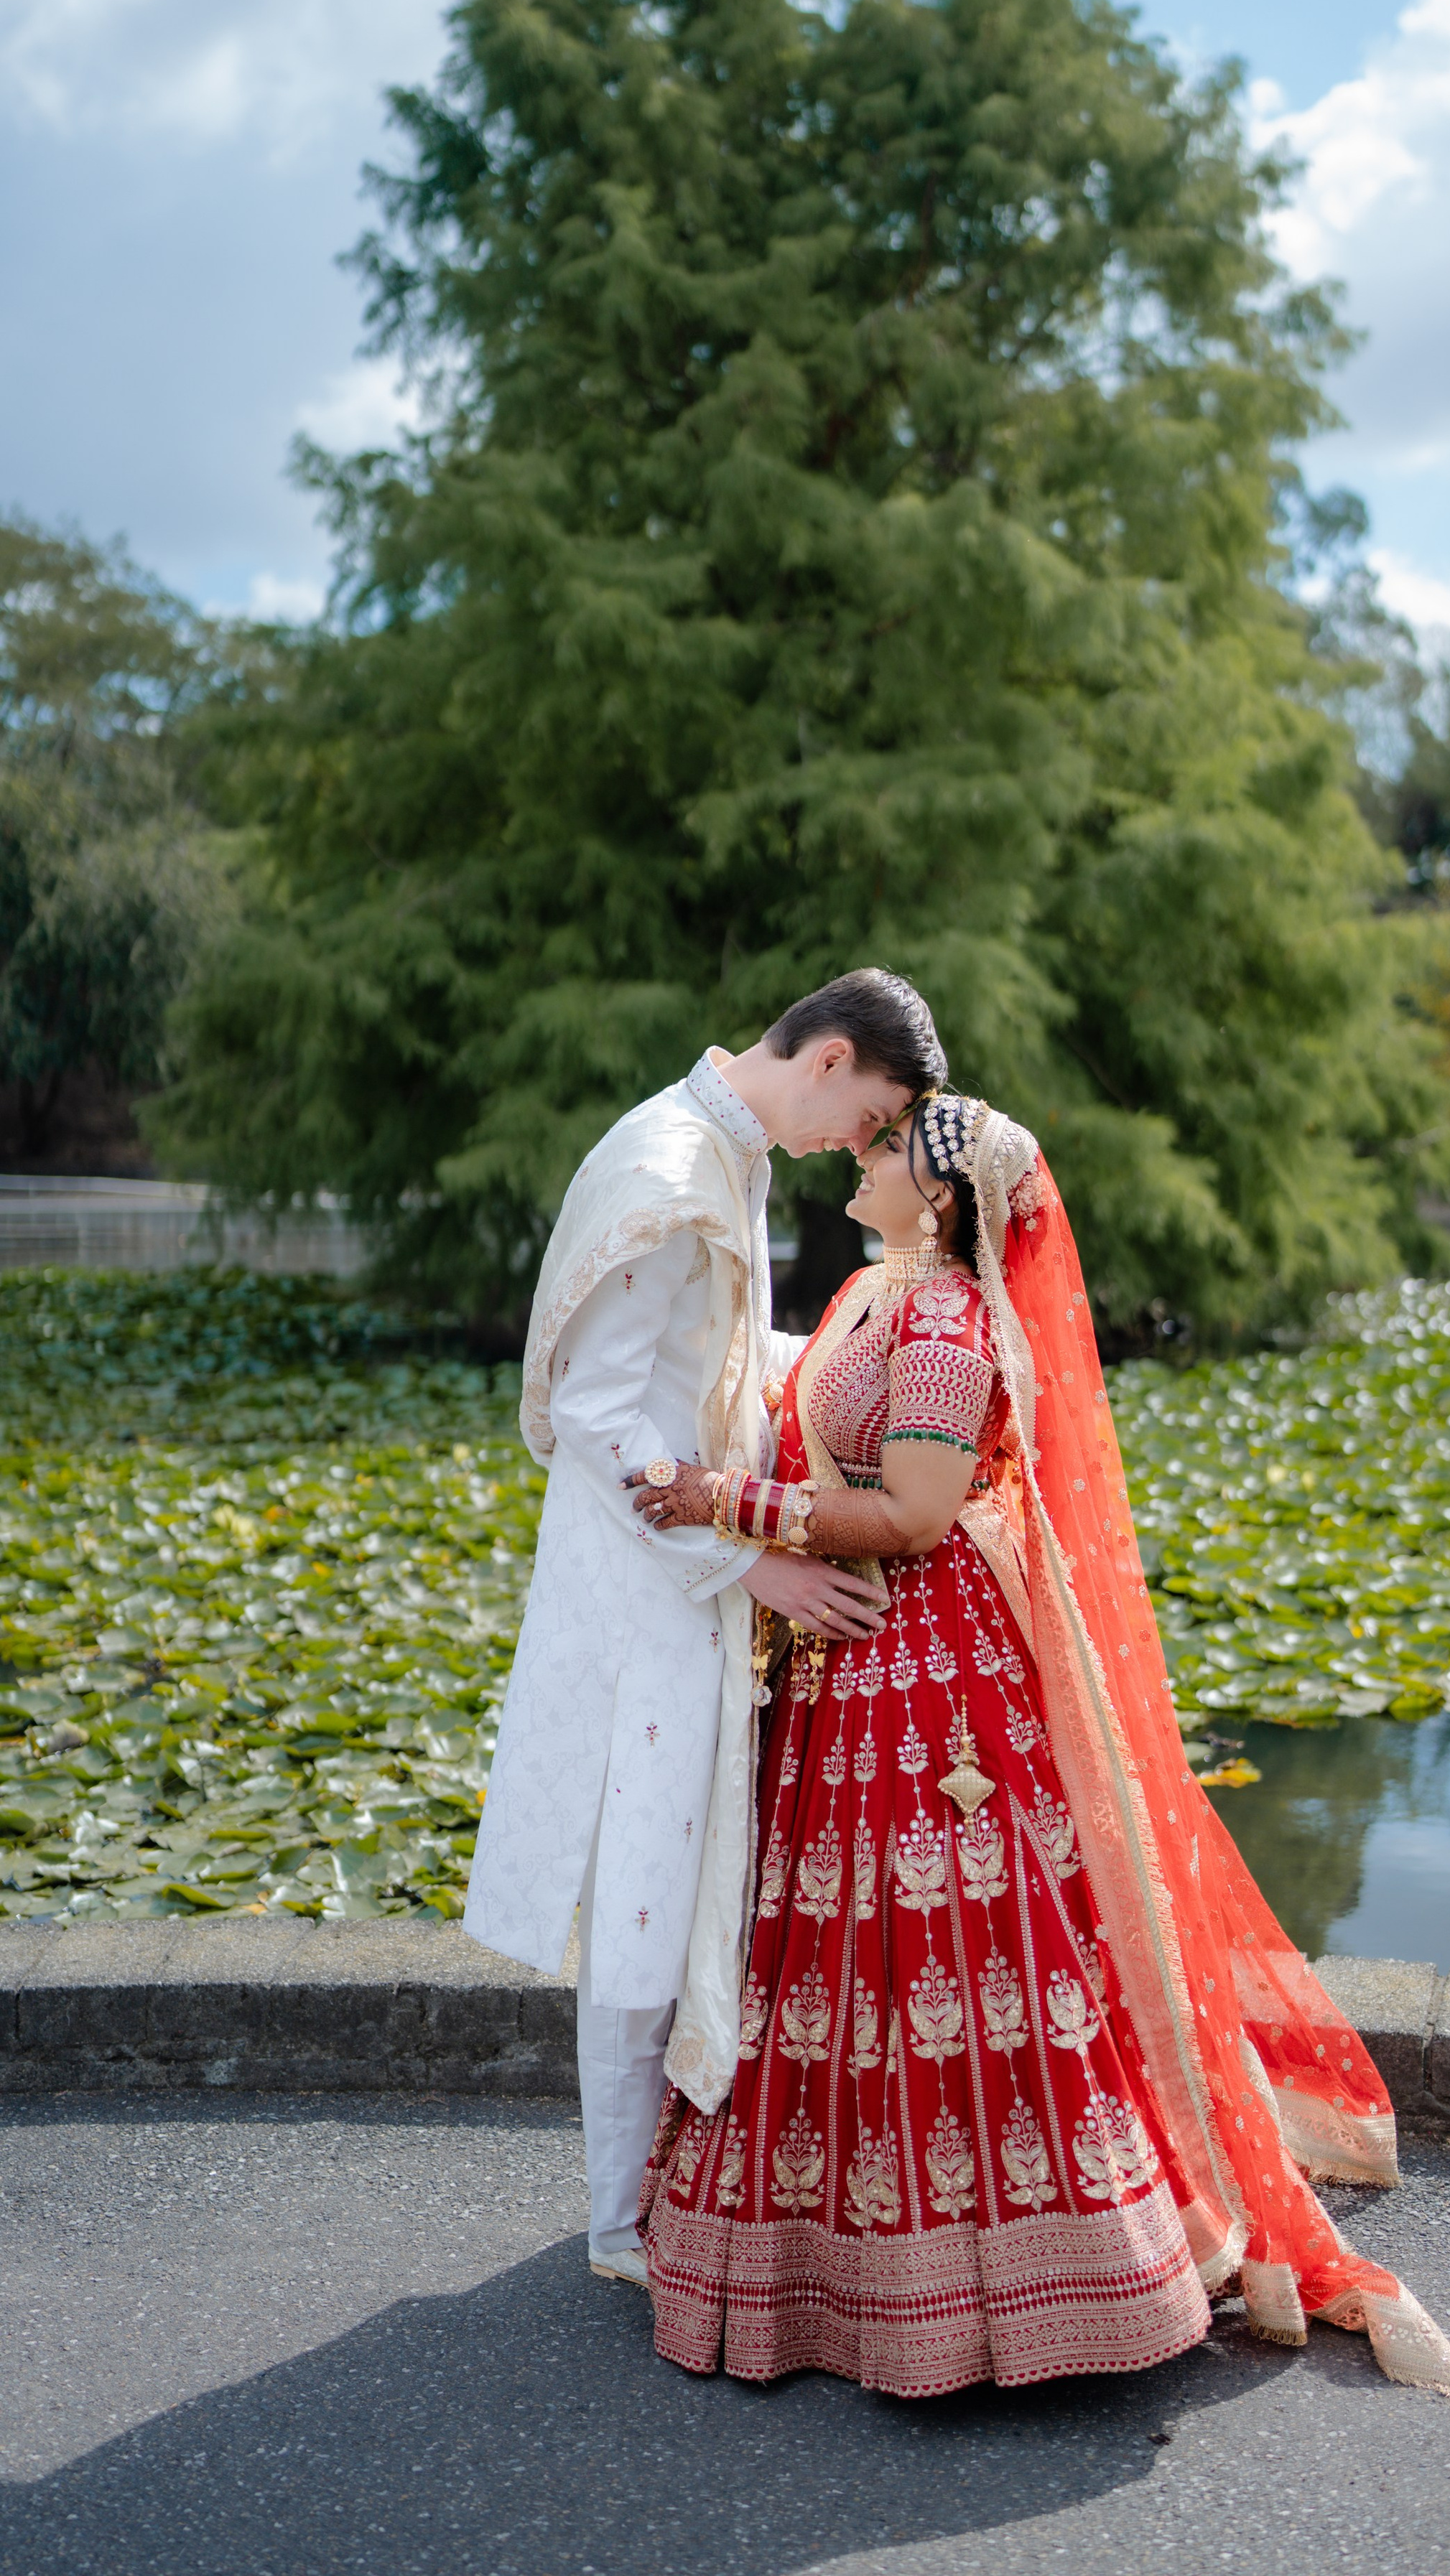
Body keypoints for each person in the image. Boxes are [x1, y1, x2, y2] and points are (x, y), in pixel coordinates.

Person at [627, 1096, 1450, 2398]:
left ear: (946, 1196)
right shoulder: (870, 1292)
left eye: (891, 1146)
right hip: (854, 1662)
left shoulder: (953, 1321)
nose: (863, 1152)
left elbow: (912, 1514)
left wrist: (717, 1502)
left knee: (966, 1952)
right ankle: (836, 2272)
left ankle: (1041, 2285)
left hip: (936, 1680)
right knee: (850, 1955)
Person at [463, 971, 947, 2289]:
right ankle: (620, 2219)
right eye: (875, 1113)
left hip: (692, 1550)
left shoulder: (720, 1150)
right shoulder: (678, 1168)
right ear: (832, 1058)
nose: (867, 1145)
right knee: (645, 1875)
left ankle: (654, 2188)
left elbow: (717, 1363)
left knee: (681, 1867)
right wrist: (760, 1565)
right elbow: (606, 1415)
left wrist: (867, 1357)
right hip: (648, 1575)